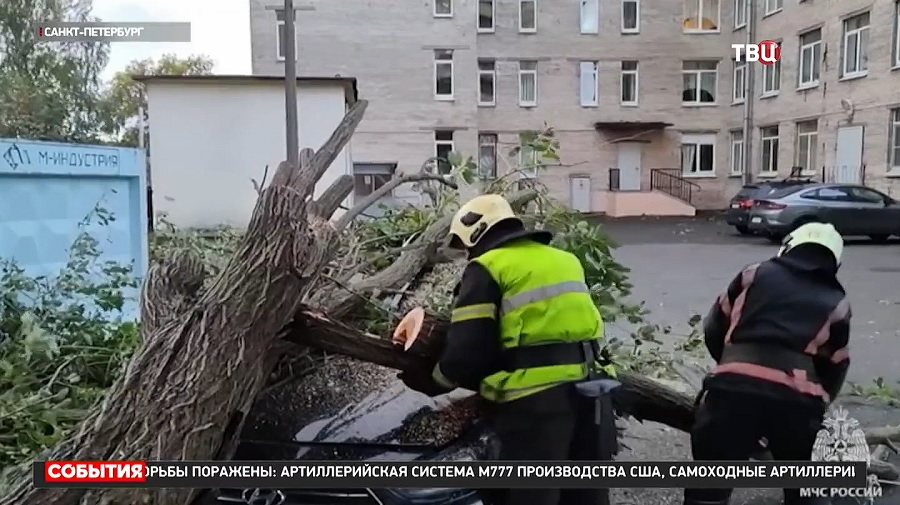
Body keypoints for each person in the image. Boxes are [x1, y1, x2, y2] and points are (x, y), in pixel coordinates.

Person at [398, 194, 612, 505]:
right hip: (594, 393)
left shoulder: (488, 267)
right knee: (585, 495)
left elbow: (468, 352)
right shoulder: (566, 260)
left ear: (475, 232)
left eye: (466, 246)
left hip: (538, 404)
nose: (467, 254)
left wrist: (433, 381)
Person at [683, 222, 851, 505]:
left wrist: (732, 369)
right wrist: (818, 403)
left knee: (707, 491)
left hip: (730, 393)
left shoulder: (753, 274)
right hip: (797, 402)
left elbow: (715, 326)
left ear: (787, 246)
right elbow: (836, 364)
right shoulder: (838, 301)